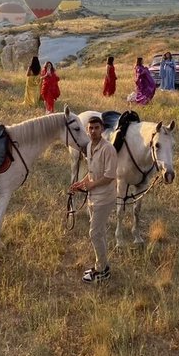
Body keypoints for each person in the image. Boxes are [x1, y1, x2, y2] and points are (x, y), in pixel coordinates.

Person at [69, 115, 117, 283]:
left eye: (97, 128)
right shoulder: (89, 146)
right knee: (100, 231)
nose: (93, 131)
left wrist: (91, 186)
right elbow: (91, 172)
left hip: (105, 198)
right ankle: (103, 265)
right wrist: (81, 183)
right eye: (90, 128)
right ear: (87, 131)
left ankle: (102, 270)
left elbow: (110, 176)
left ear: (102, 129)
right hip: (93, 196)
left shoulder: (108, 149)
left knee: (94, 233)